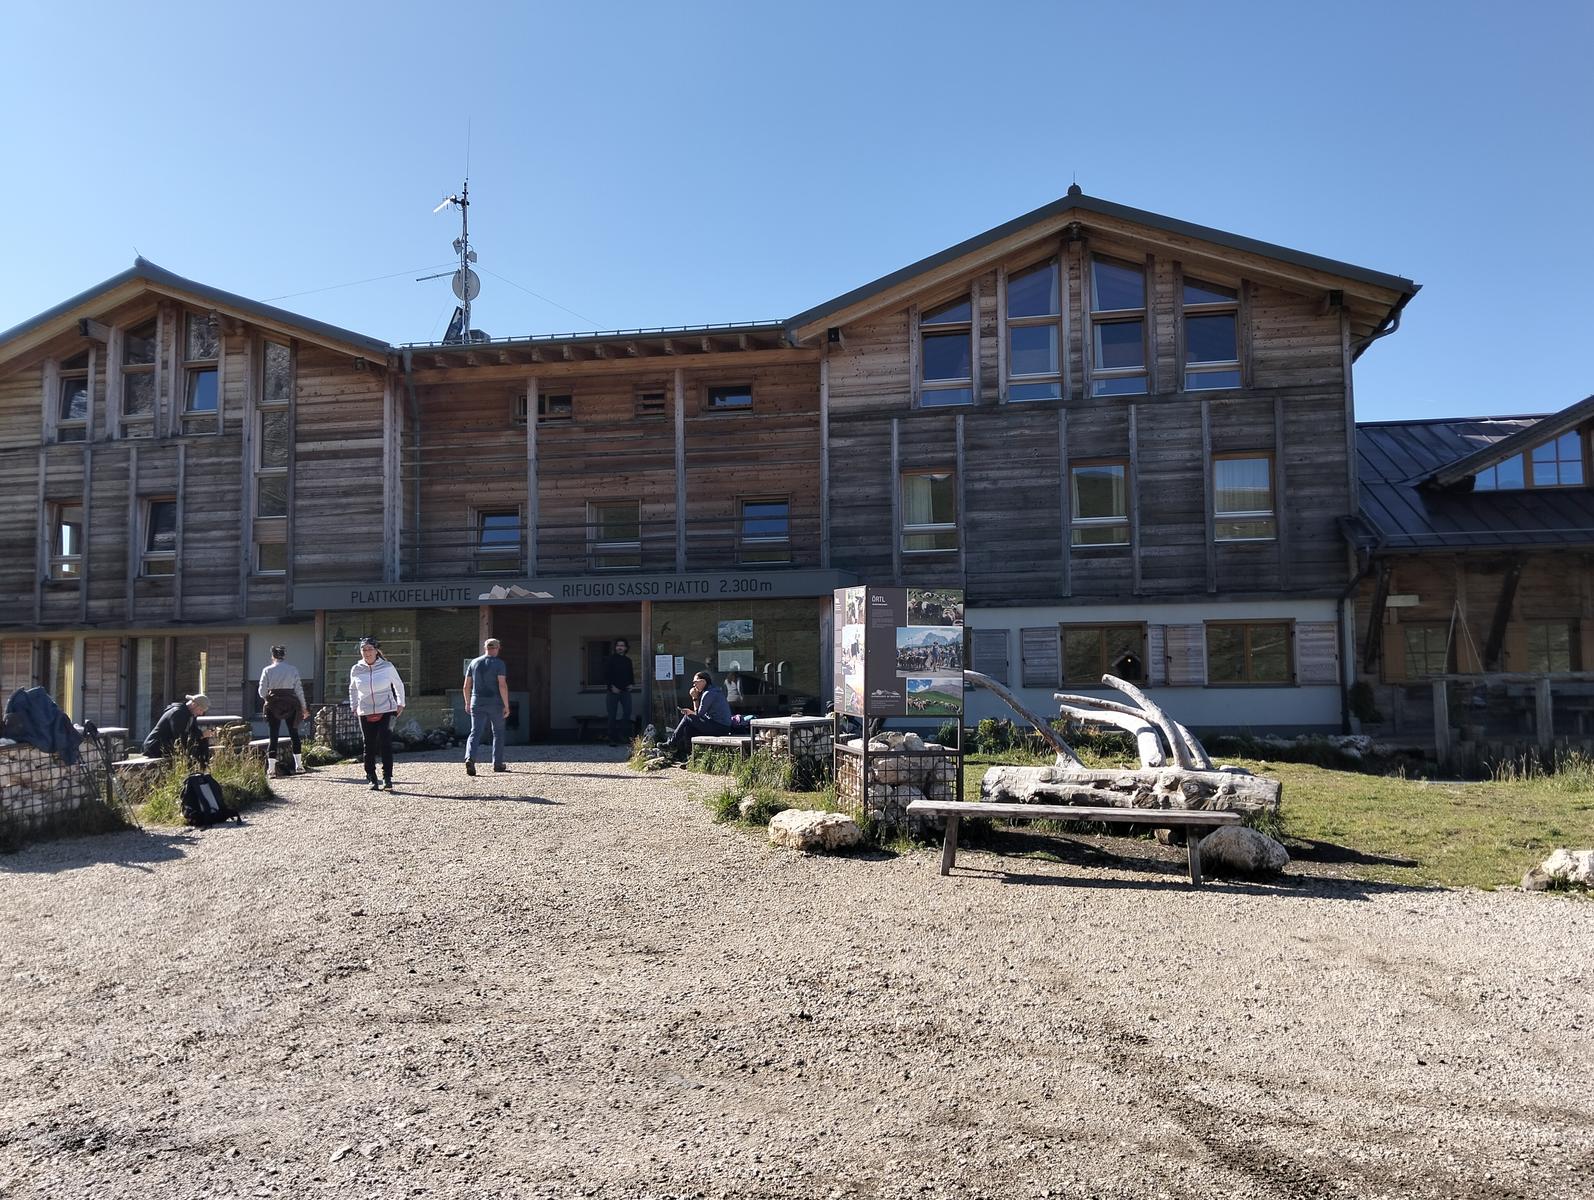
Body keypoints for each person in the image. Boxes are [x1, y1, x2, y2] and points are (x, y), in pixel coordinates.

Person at [349, 637, 405, 791]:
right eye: (364, 650)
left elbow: (398, 684)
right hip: (365, 710)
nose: (367, 652)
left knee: (385, 743)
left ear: (376, 651)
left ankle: (387, 778)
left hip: (386, 708)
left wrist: (401, 703)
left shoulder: (387, 667)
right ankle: (371, 777)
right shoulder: (356, 669)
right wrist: (354, 706)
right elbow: (353, 689)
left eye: (369, 649)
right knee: (369, 744)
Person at [462, 637, 510, 775]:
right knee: (498, 733)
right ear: (497, 648)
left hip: (477, 702)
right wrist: (506, 705)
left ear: (485, 648)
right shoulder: (499, 664)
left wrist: (467, 702)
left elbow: (466, 686)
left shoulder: (474, 663)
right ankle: (497, 764)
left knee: (475, 732)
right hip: (495, 702)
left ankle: (470, 758)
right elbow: (502, 685)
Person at [258, 644, 309, 772]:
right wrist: (304, 707)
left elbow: (261, 692)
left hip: (273, 703)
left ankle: (271, 769)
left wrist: (268, 697)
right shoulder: (292, 670)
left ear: (272, 655)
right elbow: (299, 690)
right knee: (294, 733)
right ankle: (299, 765)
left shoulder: (267, 670)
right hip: (291, 702)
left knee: (273, 735)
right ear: (284, 656)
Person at [665, 670, 735, 761]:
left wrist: (694, 698)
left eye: (695, 682)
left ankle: (671, 744)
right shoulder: (712, 690)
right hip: (719, 726)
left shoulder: (708, 693)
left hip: (719, 727)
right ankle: (690, 758)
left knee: (687, 718)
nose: (694, 685)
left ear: (703, 681)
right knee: (689, 728)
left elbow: (699, 714)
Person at [143, 693, 212, 767]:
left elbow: (194, 731)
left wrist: (205, 734)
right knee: (192, 750)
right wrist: (201, 735)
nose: (201, 713)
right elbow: (180, 737)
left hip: (167, 746)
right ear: (194, 704)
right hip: (155, 747)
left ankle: (202, 771)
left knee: (202, 745)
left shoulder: (190, 714)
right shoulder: (178, 713)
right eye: (200, 710)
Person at [603, 638, 635, 746]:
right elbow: (605, 675)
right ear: (615, 647)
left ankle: (623, 735)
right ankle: (611, 738)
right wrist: (611, 687)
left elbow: (631, 674)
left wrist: (631, 684)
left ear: (626, 648)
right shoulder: (610, 659)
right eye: (618, 645)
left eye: (622, 645)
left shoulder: (628, 661)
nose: (620, 647)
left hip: (625, 691)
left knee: (627, 712)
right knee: (612, 714)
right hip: (613, 691)